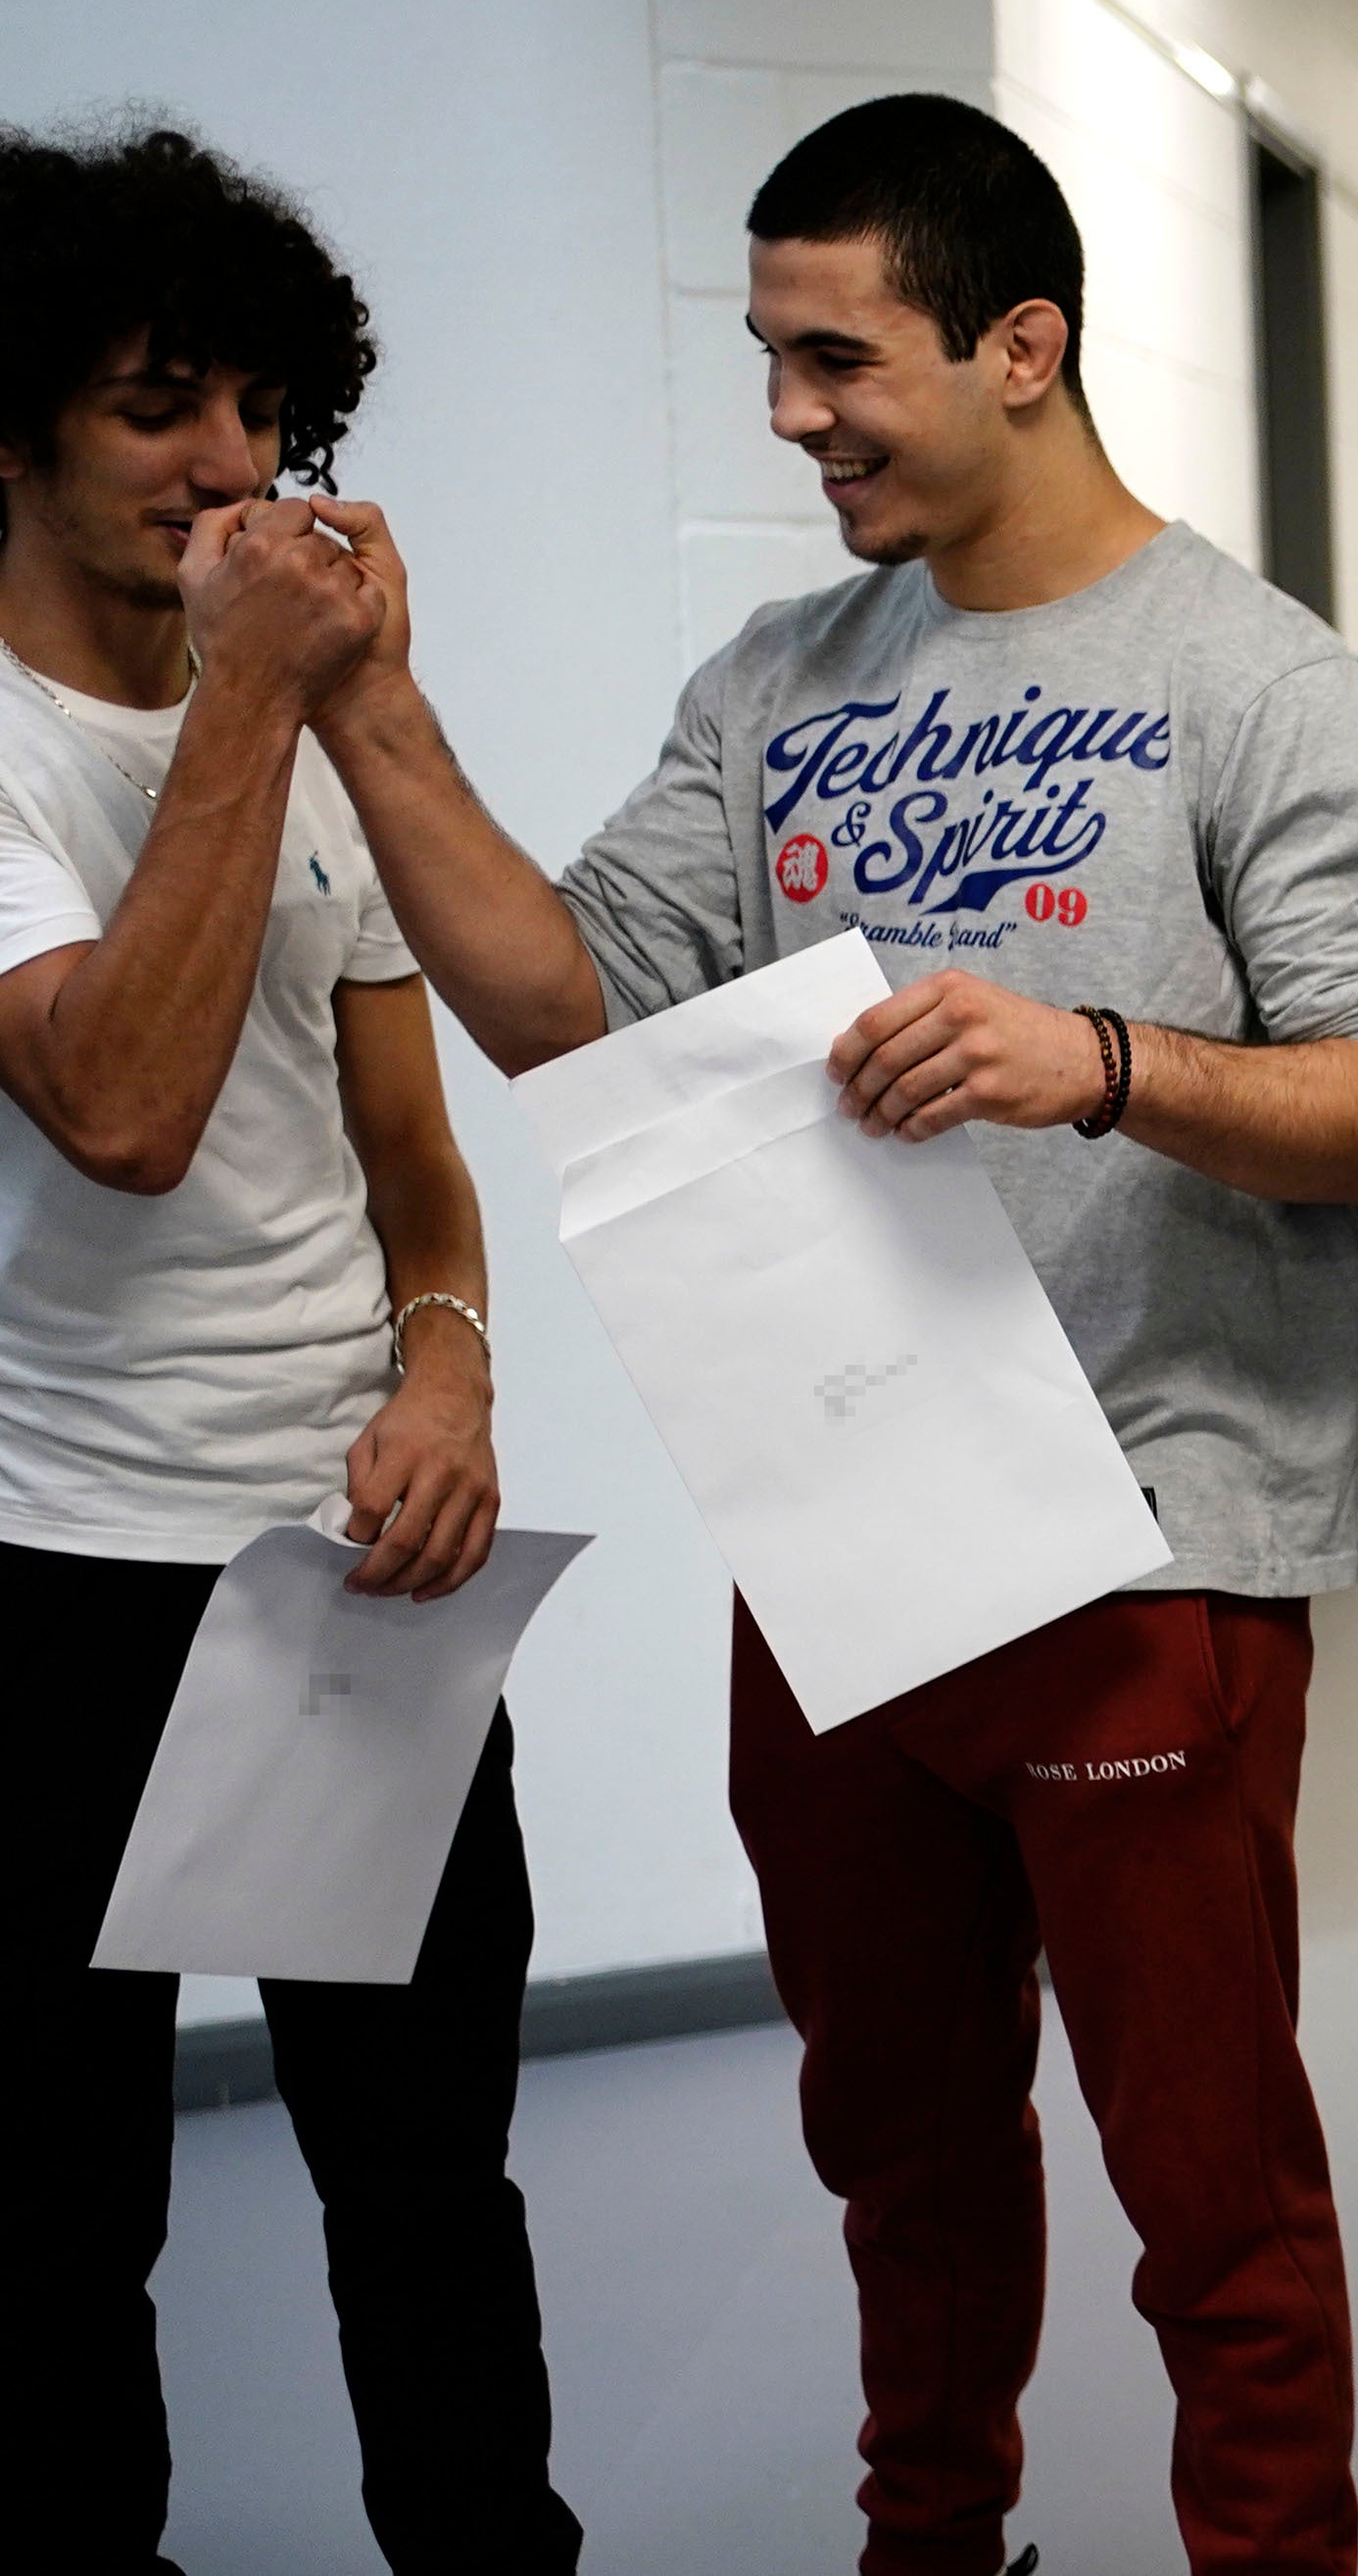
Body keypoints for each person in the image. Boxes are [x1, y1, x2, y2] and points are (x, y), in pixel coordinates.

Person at [296, 96, 1358, 2576]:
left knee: (1208, 2191)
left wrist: (1101, 1060)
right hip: (844, 1547)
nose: (793, 415)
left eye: (839, 360)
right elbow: (563, 1005)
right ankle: (939, 2538)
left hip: (1149, 1547)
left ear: (1020, 347)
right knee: (898, 2154)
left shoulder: (1261, 687)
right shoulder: (782, 677)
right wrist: (373, 705)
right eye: (769, 361)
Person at [1, 124, 580, 2576]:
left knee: (428, 2184)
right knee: (56, 2238)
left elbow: (418, 1150)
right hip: (49, 1574)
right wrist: (262, 695)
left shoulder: (313, 724)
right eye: (157, 408)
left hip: (342, 1579)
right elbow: (123, 1107)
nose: (228, 471)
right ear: (14, 426)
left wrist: (444, 1370)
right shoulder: (33, 749)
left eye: (261, 413)